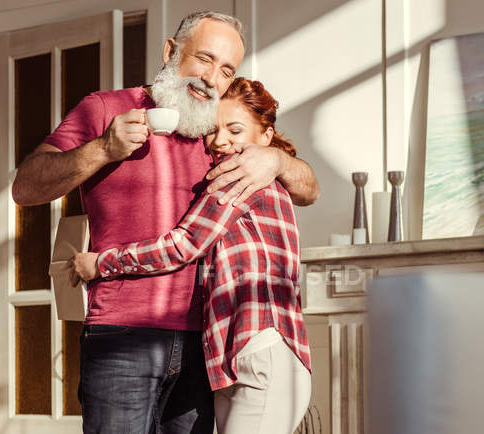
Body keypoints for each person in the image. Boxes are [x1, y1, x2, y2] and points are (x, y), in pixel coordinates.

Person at [11, 11, 318, 434]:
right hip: (122, 336)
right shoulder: (105, 108)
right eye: (204, 59)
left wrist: (278, 158)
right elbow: (25, 187)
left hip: (205, 346)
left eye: (226, 69)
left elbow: (308, 189)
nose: (212, 78)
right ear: (170, 52)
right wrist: (103, 148)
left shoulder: (220, 134)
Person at [70, 77, 311, 434]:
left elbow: (183, 244)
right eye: (214, 130)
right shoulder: (268, 178)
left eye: (235, 129)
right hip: (242, 360)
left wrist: (100, 263)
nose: (219, 140)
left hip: (260, 355)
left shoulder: (241, 177)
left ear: (265, 136)